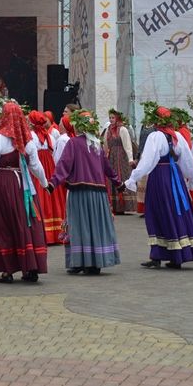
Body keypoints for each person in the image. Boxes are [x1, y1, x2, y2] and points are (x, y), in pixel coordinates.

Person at [0, 101, 50, 283]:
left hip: (2, 185)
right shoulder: (28, 138)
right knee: (26, 223)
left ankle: (8, 270)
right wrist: (45, 184)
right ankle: (30, 267)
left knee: (4, 224)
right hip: (24, 186)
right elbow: (36, 166)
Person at [126, 103, 193, 269]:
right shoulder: (177, 136)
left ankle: (158, 255)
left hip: (159, 178)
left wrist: (133, 178)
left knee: (157, 212)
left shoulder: (155, 137)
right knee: (176, 212)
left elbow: (148, 161)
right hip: (175, 176)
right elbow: (188, 161)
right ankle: (176, 255)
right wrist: (191, 179)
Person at [50, 109, 122, 275]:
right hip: (98, 195)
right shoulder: (97, 144)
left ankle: (81, 262)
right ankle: (95, 262)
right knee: (96, 226)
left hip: (80, 193)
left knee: (80, 226)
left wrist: (53, 183)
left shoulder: (74, 143)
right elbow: (108, 169)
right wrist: (118, 184)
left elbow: (63, 166)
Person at [29, 110, 66, 245]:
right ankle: (55, 232)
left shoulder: (31, 136)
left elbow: (31, 156)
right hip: (49, 167)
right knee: (52, 197)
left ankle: (43, 232)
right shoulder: (49, 136)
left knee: (39, 195)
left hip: (38, 166)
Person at [103, 109, 135, 214]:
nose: (111, 120)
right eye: (110, 118)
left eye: (113, 118)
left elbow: (128, 145)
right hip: (111, 157)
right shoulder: (108, 130)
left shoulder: (123, 129)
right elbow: (105, 144)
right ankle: (115, 206)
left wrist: (130, 158)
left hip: (121, 158)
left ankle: (124, 205)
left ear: (117, 118)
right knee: (112, 178)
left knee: (122, 177)